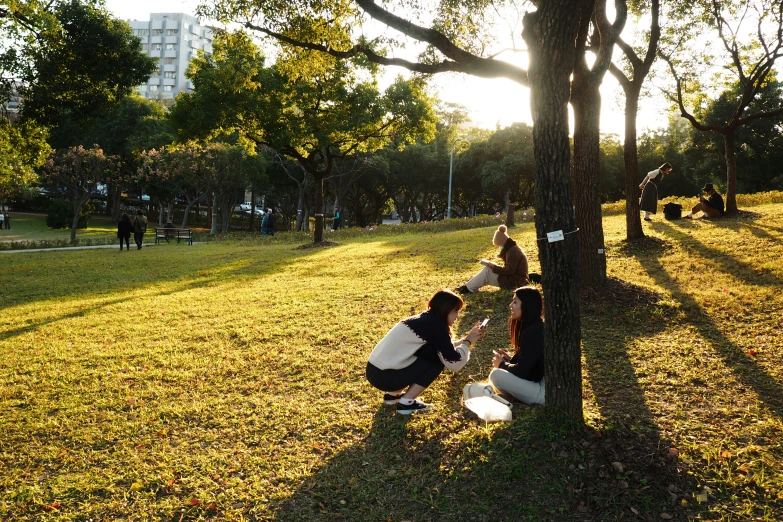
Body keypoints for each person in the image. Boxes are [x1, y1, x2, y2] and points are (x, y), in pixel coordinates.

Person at [366, 289, 486, 414]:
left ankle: (393, 396)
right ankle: (406, 403)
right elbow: (454, 362)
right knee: (436, 360)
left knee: (431, 352)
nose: (458, 316)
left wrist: (465, 340)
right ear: (445, 310)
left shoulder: (426, 319)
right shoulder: (436, 326)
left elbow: (443, 347)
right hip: (386, 377)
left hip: (376, 372)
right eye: (456, 311)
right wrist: (468, 342)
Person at [487, 286, 545, 405]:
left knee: (496, 375)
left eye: (515, 302)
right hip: (541, 385)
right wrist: (510, 360)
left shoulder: (532, 332)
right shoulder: (536, 326)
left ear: (526, 306)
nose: (510, 306)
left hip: (542, 392)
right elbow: (531, 362)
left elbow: (523, 372)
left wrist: (502, 364)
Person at [456, 224, 529, 294]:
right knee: (488, 270)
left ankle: (468, 288)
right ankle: (468, 286)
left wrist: (494, 267)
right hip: (516, 279)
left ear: (502, 244)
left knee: (487, 271)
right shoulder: (513, 249)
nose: (498, 248)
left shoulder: (512, 252)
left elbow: (509, 270)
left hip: (514, 282)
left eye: (498, 246)